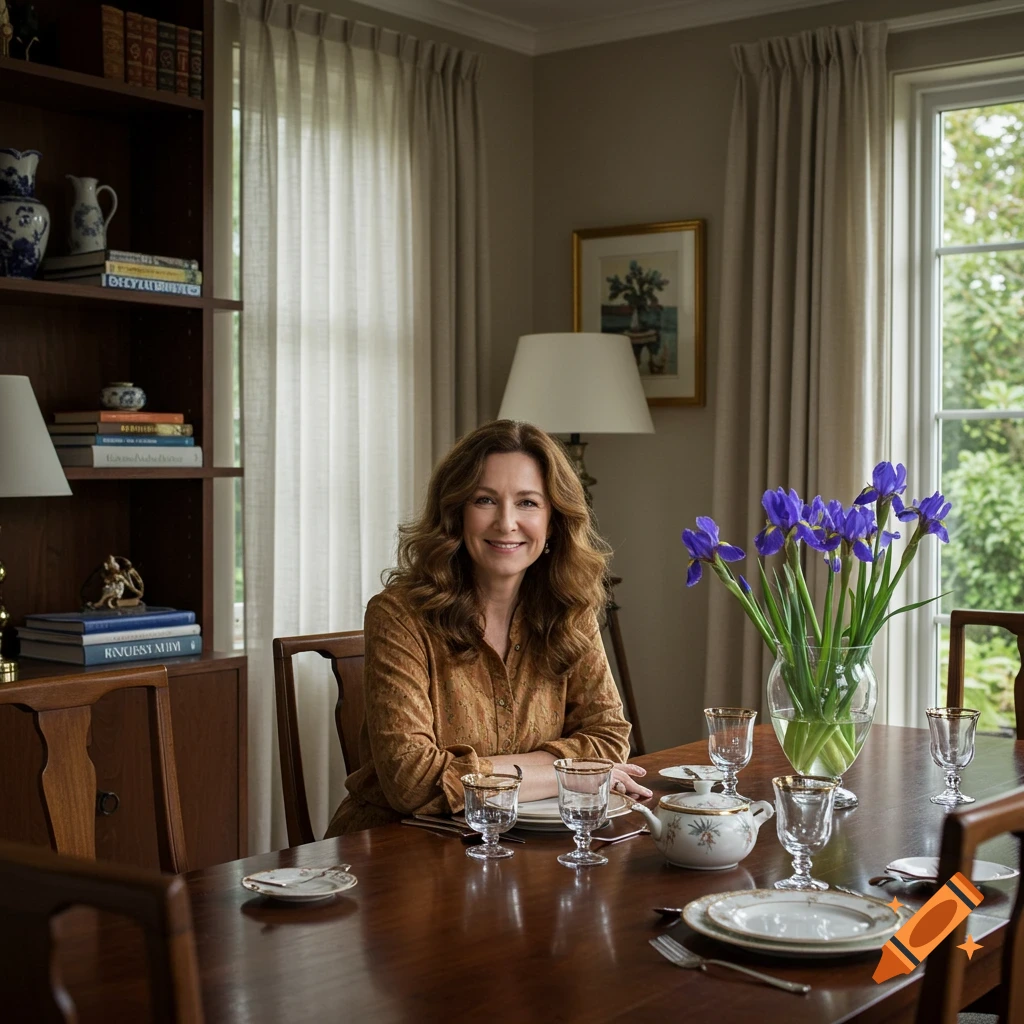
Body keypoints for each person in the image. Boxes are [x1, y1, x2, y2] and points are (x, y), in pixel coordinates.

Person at [325, 419, 651, 836]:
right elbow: (410, 780)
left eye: (528, 503)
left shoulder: (570, 610)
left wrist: (477, 777)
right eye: (485, 500)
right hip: (399, 846)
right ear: (455, 513)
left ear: (553, 521)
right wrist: (564, 772)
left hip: (526, 844)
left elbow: (608, 740)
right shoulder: (398, 614)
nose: (506, 522)